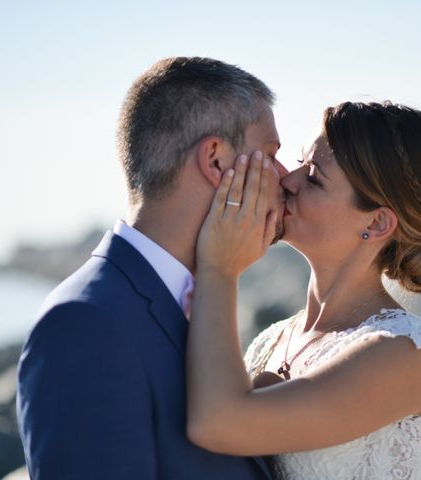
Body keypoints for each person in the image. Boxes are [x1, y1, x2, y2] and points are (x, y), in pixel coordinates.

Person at [16, 57, 287, 479]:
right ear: (215, 161)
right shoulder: (84, 325)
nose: (287, 178)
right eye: (271, 155)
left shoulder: (198, 298)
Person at [186, 101, 421, 479]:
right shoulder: (272, 340)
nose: (288, 180)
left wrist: (218, 268)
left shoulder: (405, 353)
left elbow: (217, 422)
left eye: (314, 178)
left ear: (377, 222)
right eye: (300, 162)